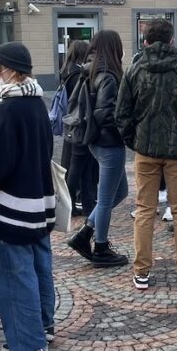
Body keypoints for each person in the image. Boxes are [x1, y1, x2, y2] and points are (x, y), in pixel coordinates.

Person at [0, 42, 56, 351]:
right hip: (40, 201)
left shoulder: (8, 107)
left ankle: (27, 340)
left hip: (13, 208)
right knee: (40, 267)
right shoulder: (37, 101)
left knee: (14, 274)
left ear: (8, 69)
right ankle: (44, 326)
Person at [116, 18, 177, 291]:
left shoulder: (134, 71)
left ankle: (141, 272)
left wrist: (136, 141)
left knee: (145, 210)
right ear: (171, 42)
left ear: (145, 40)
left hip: (146, 150)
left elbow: (122, 115)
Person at [67, 30, 131, 268]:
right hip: (108, 143)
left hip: (95, 141)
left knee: (120, 191)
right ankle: (101, 248)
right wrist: (125, 131)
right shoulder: (108, 75)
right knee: (104, 200)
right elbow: (107, 113)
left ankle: (85, 234)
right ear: (114, 48)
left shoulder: (90, 69)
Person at [58, 40, 97, 217]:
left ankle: (84, 203)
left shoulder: (67, 70)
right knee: (78, 167)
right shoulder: (77, 74)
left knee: (79, 166)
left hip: (71, 124)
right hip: (79, 125)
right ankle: (71, 203)